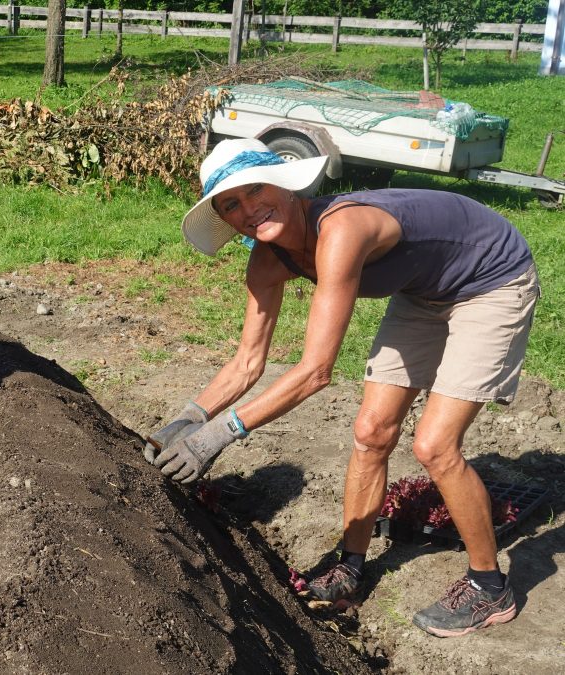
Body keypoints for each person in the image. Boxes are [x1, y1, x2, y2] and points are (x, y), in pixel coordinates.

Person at [143, 138, 539, 638]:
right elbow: (247, 362)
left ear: (286, 186)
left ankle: (489, 587)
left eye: (255, 190)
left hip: (491, 278)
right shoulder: (268, 261)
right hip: (425, 292)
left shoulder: (343, 229)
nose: (249, 209)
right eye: (231, 205)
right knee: (372, 431)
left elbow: (315, 370)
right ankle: (350, 566)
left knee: (434, 445)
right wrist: (188, 419)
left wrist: (221, 434)